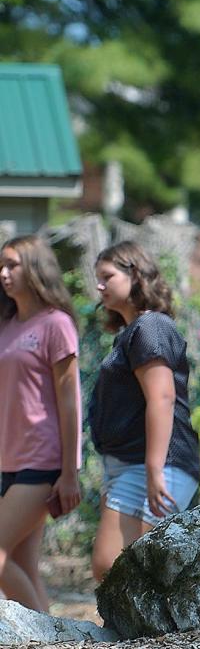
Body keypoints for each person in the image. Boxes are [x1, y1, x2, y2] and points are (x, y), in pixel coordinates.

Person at [89, 242, 200, 582]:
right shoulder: (130, 333)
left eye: (107, 276)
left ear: (134, 275)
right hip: (129, 464)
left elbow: (162, 397)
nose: (99, 286)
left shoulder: (150, 327)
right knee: (118, 570)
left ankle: (166, 636)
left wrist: (155, 470)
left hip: (152, 464)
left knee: (117, 567)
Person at [0, 235, 81, 612]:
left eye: (12, 264)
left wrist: (70, 472)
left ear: (34, 268)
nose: (4, 273)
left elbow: (70, 400)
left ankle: (40, 645)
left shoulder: (56, 324)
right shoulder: (8, 324)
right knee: (23, 567)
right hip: (8, 461)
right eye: (1, 265)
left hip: (42, 459)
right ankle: (55, 648)